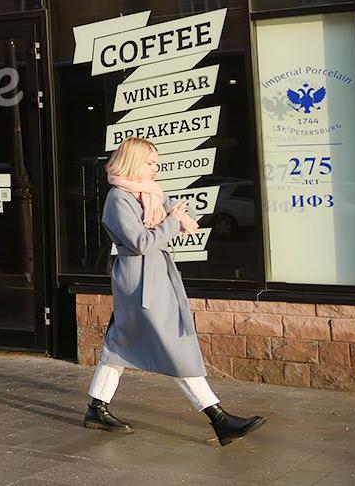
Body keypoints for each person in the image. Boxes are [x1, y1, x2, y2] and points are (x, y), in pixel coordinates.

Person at [84, 137, 265, 446]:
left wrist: (180, 217)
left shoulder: (147, 192)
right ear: (133, 162)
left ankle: (96, 408)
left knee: (121, 343)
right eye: (150, 162)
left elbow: (171, 216)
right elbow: (141, 242)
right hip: (140, 281)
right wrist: (172, 222)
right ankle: (218, 418)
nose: (155, 168)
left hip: (152, 277)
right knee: (173, 345)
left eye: (156, 162)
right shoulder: (118, 198)